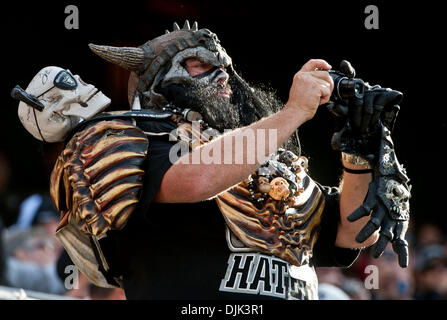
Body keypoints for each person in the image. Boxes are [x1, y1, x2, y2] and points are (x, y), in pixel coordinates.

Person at [13, 21, 410, 300]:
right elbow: (196, 180)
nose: (220, 74)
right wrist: (293, 112)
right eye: (198, 64)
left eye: (222, 64)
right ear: (157, 85)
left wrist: (360, 147)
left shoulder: (276, 161)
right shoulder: (135, 138)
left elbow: (351, 233)